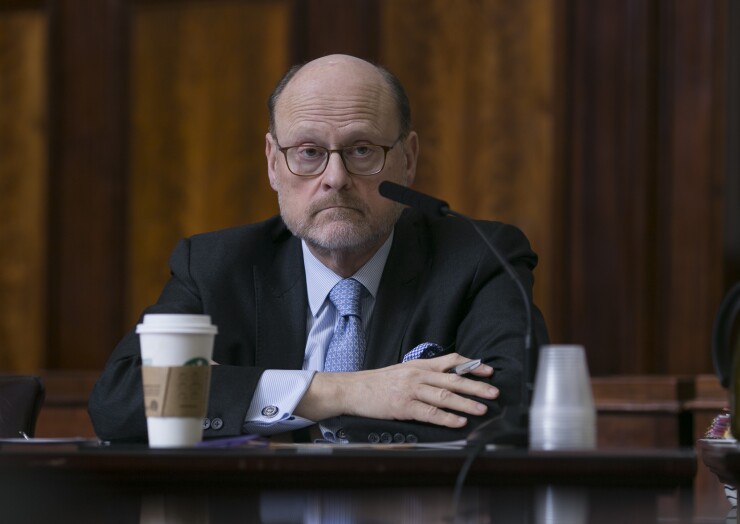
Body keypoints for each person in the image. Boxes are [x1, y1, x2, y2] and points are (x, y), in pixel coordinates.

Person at [88, 54, 549, 444]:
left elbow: (511, 405)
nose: (335, 178)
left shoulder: (480, 258)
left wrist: (237, 391)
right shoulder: (214, 267)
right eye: (308, 151)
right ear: (273, 163)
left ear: (407, 160)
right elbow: (123, 399)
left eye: (362, 149)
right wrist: (347, 392)